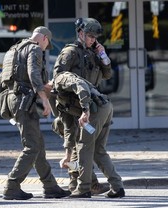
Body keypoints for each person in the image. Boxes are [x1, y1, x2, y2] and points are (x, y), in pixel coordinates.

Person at [0, 26, 70, 200]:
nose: (45, 49)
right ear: (44, 38)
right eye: (47, 45)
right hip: (23, 102)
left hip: (13, 99)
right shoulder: (35, 48)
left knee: (38, 146)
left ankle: (50, 186)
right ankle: (12, 185)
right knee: (32, 147)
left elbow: (3, 80)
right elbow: (33, 73)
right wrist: (44, 99)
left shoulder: (13, 49)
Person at [51, 18, 112, 195]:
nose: (93, 40)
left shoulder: (93, 53)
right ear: (80, 33)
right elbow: (59, 78)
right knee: (73, 145)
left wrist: (103, 55)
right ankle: (78, 183)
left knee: (81, 146)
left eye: (95, 37)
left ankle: (81, 183)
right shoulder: (70, 52)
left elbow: (107, 74)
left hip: (86, 106)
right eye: (90, 36)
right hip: (70, 106)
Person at [53, 71, 125, 198]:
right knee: (98, 150)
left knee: (84, 147)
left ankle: (84, 188)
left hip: (95, 110)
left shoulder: (60, 79)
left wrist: (85, 111)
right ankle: (117, 187)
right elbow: (69, 129)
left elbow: (80, 84)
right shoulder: (59, 101)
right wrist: (67, 156)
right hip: (104, 107)